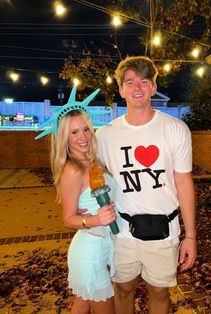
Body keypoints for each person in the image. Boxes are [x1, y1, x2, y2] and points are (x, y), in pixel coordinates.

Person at [96, 56, 197, 314]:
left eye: (144, 81)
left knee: (159, 292)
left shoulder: (175, 129)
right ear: (121, 89)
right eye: (129, 82)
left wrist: (191, 236)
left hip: (164, 230)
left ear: (153, 87)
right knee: (123, 289)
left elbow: (184, 183)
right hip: (122, 232)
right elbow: (94, 181)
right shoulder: (105, 135)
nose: (137, 88)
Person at [40, 88, 118, 314]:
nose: (83, 137)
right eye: (74, 133)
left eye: (85, 129)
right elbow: (68, 219)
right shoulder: (72, 170)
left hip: (104, 246)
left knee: (81, 307)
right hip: (90, 252)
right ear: (64, 137)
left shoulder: (94, 161)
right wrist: (95, 218)